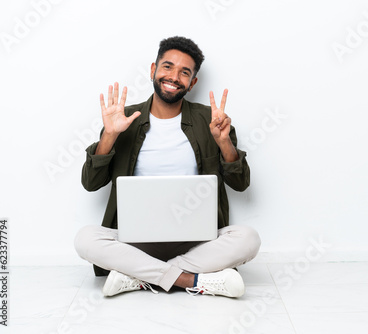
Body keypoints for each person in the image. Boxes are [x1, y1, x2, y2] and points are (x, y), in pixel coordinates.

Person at [74, 36, 260, 298]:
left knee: (248, 238)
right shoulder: (124, 119)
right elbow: (90, 183)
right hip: (136, 243)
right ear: (153, 70)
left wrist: (224, 143)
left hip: (197, 242)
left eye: (185, 72)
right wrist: (109, 135)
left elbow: (240, 184)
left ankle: (138, 276)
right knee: (85, 238)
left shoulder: (211, 121)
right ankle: (192, 279)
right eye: (167, 67)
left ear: (192, 82)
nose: (174, 77)